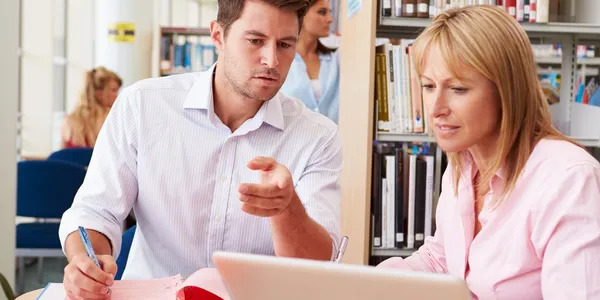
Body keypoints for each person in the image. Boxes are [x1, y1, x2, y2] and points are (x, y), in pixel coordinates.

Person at [58, 0, 342, 299]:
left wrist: (288, 210)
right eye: (256, 40)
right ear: (218, 36)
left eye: (285, 45)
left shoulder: (317, 136)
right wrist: (85, 262)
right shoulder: (141, 106)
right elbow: (94, 212)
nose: (271, 60)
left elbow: (319, 266)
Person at [377, 6, 600, 299]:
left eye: (458, 89)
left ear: (506, 91)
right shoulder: (461, 164)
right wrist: (361, 283)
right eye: (429, 86)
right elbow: (442, 259)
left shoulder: (568, 179)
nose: (435, 109)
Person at [280, 0, 339, 123]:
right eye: (322, 12)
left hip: (332, 139)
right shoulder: (280, 59)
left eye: (330, 12)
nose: (330, 19)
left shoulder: (335, 61)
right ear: (302, 14)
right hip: (291, 139)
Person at [60, 67, 122, 148]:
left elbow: (61, 156)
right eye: (114, 90)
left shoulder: (68, 121)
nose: (117, 96)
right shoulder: (112, 118)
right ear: (99, 93)